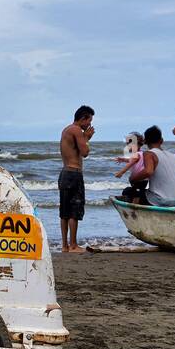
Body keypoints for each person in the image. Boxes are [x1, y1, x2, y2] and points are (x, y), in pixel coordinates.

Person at [58, 105, 94, 253]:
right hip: (74, 174)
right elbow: (85, 152)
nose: (90, 124)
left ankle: (65, 246)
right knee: (74, 210)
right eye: (89, 120)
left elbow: (76, 150)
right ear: (83, 118)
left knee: (64, 211)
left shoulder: (67, 129)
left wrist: (84, 137)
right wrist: (87, 137)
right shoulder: (77, 130)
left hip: (65, 173)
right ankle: (73, 245)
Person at [123, 126, 175, 206]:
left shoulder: (149, 154)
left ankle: (136, 213)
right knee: (143, 191)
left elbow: (148, 171)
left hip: (160, 200)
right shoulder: (173, 156)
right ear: (162, 140)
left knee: (127, 191)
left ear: (145, 141)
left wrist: (132, 178)